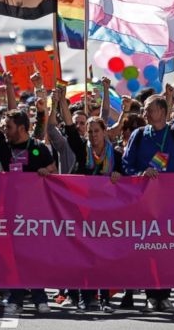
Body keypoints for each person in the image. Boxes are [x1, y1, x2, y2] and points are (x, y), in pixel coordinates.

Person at [122, 75, 174, 313]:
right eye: (145, 109)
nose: (145, 113)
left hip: (170, 203)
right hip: (145, 202)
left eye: (150, 109)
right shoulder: (138, 135)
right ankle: (150, 294)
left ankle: (164, 294)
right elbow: (127, 165)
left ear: (163, 111)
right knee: (147, 250)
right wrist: (141, 172)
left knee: (167, 250)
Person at [0, 80, 55, 316]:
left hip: (35, 213)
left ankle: (40, 297)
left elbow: (53, 172)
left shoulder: (39, 148)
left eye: (8, 127)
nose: (4, 130)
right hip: (9, 210)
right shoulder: (3, 145)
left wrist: (45, 173)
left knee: (33, 256)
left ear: (21, 128)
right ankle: (16, 298)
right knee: (14, 257)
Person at [58, 85, 121, 313]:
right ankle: (86, 297)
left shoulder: (117, 155)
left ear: (105, 132)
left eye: (97, 131)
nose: (93, 135)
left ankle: (105, 298)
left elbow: (128, 179)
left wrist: (119, 176)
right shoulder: (81, 150)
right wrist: (62, 102)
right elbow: (69, 127)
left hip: (105, 214)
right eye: (90, 132)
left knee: (103, 256)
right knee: (83, 255)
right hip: (81, 212)